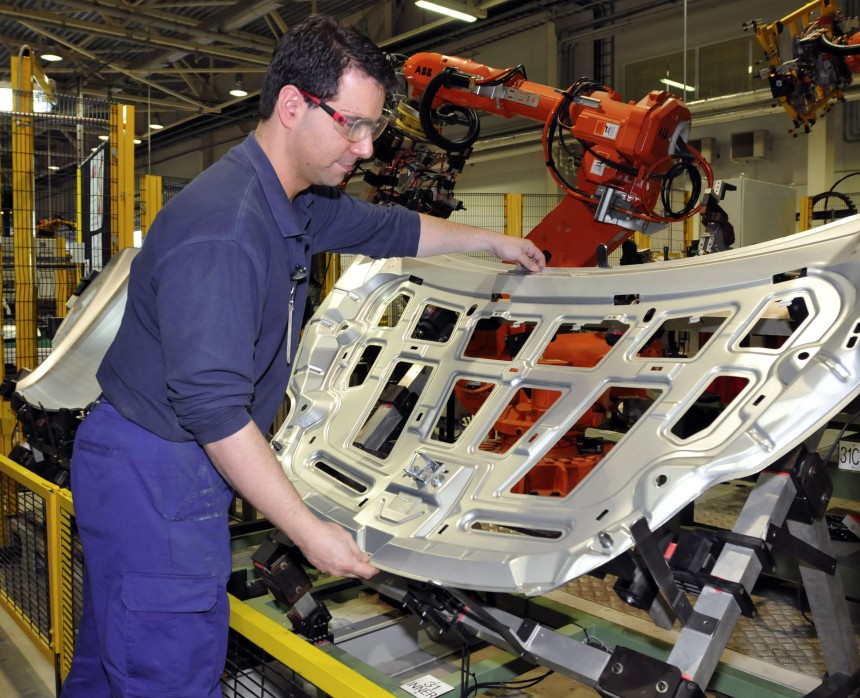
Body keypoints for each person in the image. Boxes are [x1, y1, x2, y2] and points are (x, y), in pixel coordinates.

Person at [61, 13, 545, 698]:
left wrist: (489, 241)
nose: (367, 147)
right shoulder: (227, 229)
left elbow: (387, 228)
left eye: (374, 126)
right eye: (353, 125)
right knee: (165, 668)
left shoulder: (288, 200)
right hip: (158, 470)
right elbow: (215, 411)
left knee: (115, 654)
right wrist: (309, 531)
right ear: (293, 105)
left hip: (151, 458)